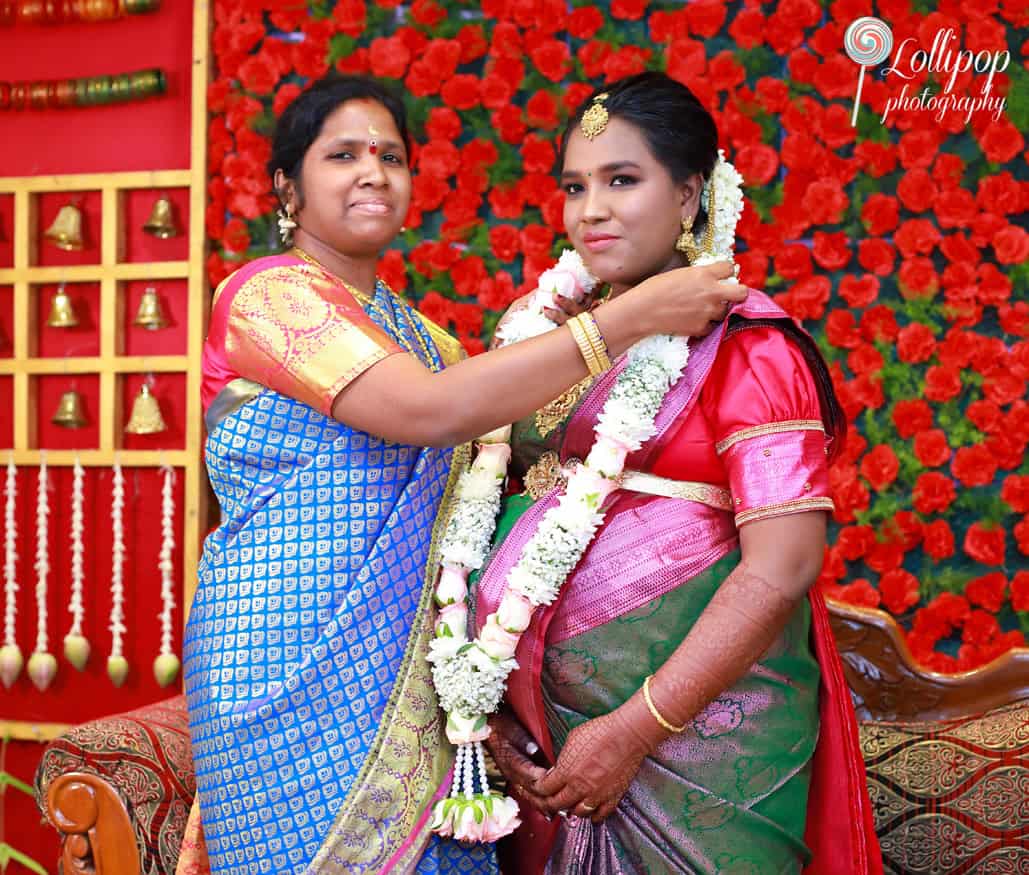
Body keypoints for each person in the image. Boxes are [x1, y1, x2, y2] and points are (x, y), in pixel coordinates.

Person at [177, 73, 746, 875]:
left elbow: (506, 464)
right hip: (277, 664)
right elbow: (426, 413)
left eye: (391, 155)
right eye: (341, 154)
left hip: (407, 686)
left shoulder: (431, 341)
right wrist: (627, 318)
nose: (372, 171)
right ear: (287, 188)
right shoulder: (266, 299)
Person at [475, 72, 882, 874]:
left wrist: (632, 728)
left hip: (707, 754)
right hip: (541, 756)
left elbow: (785, 564)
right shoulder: (554, 347)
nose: (590, 208)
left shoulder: (750, 348)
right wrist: (483, 700)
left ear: (689, 194)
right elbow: (488, 512)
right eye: (574, 186)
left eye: (621, 180)